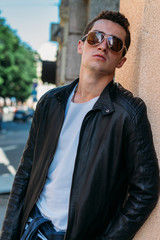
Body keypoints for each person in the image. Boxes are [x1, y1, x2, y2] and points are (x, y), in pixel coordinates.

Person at [0, 10, 159, 240]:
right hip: (32, 228)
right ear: (81, 46)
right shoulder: (50, 102)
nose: (103, 46)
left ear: (121, 60)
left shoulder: (129, 113)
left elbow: (146, 192)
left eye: (114, 44)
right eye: (96, 38)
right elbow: (26, 171)